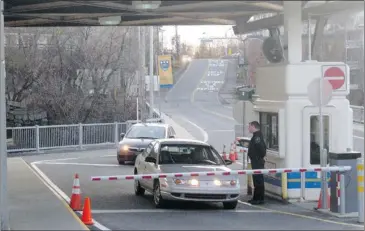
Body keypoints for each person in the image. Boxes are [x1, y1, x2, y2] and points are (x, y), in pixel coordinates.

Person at [247, 121, 267, 204]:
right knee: (256, 179)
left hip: (257, 161)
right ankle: (257, 197)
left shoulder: (257, 137)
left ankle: (258, 198)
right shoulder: (256, 136)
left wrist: (258, 157)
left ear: (253, 126)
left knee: (258, 179)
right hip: (256, 160)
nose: (248, 128)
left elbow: (261, 149)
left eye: (249, 127)